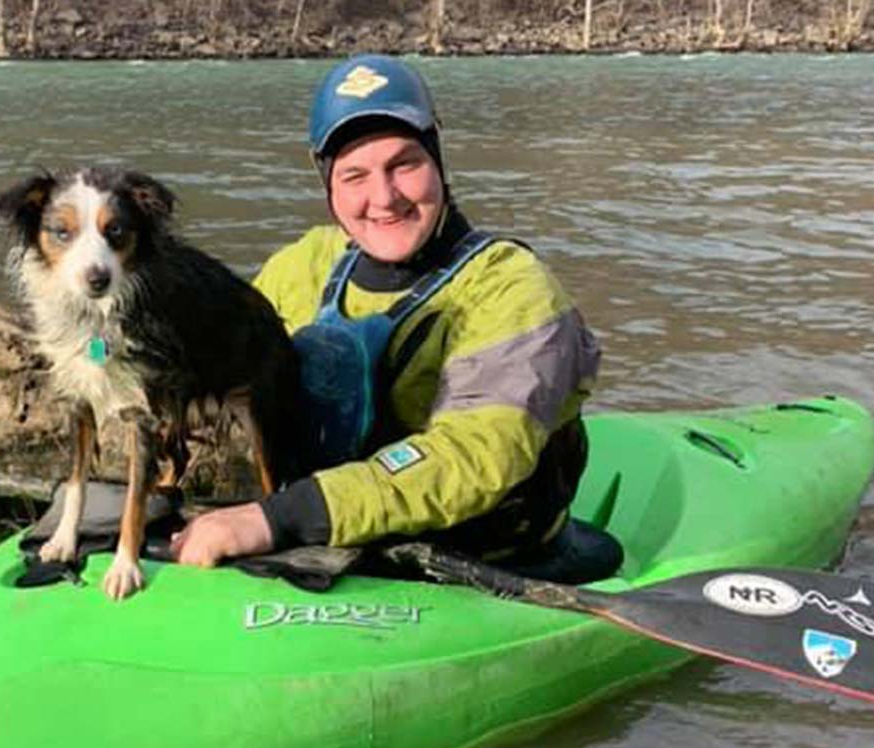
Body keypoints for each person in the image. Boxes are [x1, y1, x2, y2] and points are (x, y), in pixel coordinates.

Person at [170, 54, 604, 576]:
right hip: (326, 537)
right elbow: (201, 372)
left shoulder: (515, 289)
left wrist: (278, 518)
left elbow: (472, 456)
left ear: (437, 161)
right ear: (328, 186)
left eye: (405, 165)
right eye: (354, 175)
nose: (384, 198)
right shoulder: (302, 265)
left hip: (486, 553)